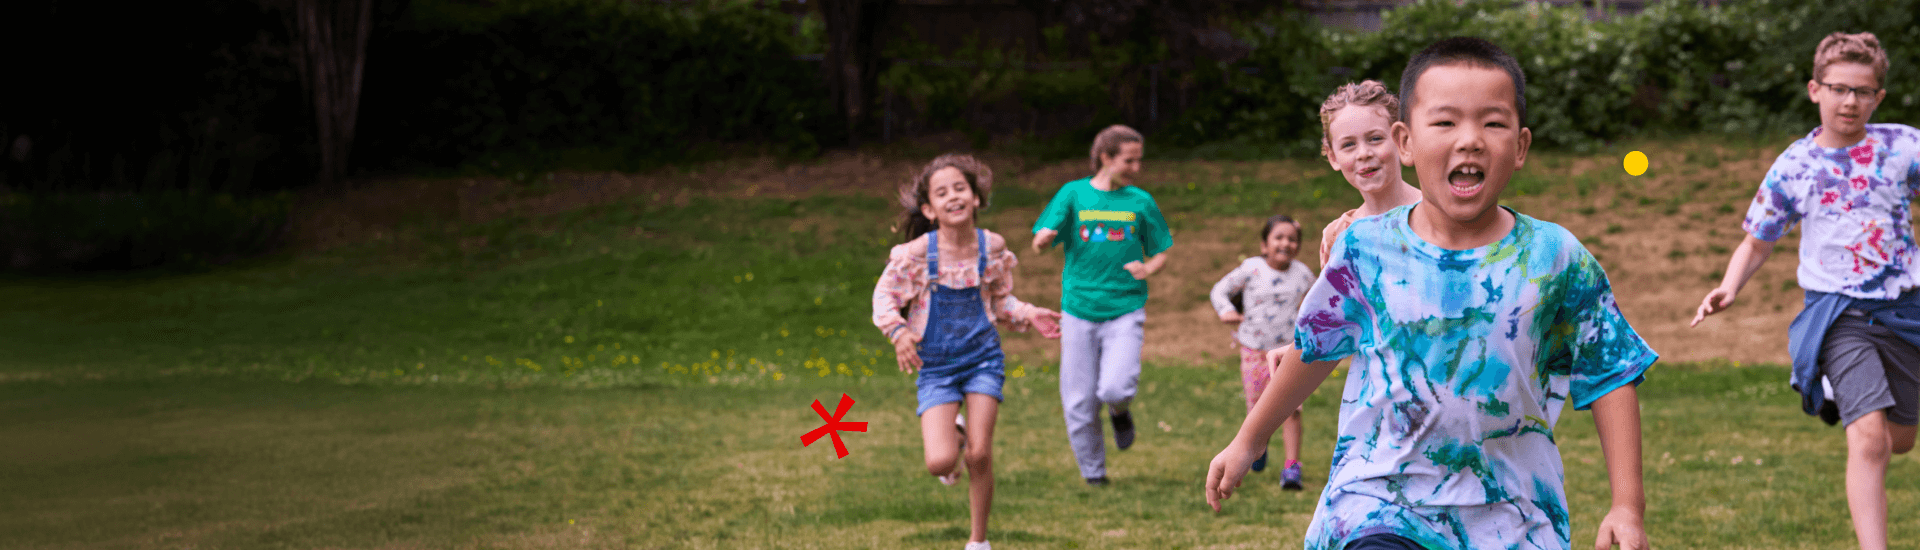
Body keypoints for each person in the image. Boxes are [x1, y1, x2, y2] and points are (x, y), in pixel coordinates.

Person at [1204, 37, 1658, 550]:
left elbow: (1610, 373)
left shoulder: (1555, 257)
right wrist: (1251, 438)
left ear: (1522, 145)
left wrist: (1626, 505)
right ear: (1406, 142)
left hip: (1511, 513)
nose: (1469, 140)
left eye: (1492, 122)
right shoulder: (1364, 247)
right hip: (1381, 502)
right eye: (1445, 122)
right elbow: (1314, 351)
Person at [1690, 32, 1920, 550]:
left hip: (1906, 309)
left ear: (1878, 98)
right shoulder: (1795, 166)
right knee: (1870, 440)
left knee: (1901, 440)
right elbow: (1757, 242)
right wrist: (1728, 286)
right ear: (1815, 89)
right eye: (1839, 89)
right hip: (1837, 312)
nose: (1850, 101)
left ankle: (1842, 392)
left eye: (1863, 91)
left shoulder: (1903, 147)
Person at [873, 153, 1063, 550]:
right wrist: (898, 333)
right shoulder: (916, 254)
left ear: (976, 198)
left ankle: (978, 541)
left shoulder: (991, 247)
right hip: (936, 366)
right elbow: (884, 296)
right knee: (939, 463)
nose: (953, 196)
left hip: (983, 360)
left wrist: (1029, 313)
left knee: (981, 455)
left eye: (960, 188)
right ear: (929, 208)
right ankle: (954, 436)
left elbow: (1000, 302)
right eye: (942, 193)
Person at [1031, 124, 1174, 486]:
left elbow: (1162, 251)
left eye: (1139, 160)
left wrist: (1147, 267)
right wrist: (1044, 238)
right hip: (1078, 310)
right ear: (1106, 158)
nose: (1136, 168)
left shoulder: (1140, 201)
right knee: (1078, 402)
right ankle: (1094, 474)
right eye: (1129, 160)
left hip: (1125, 308)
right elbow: (1039, 240)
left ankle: (1120, 411)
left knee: (1115, 387)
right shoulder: (1073, 194)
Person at [1210, 214, 1317, 489]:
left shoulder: (1303, 274)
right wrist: (1227, 310)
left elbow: (1322, 299)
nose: (1286, 243)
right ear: (1264, 245)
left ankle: (1292, 468)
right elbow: (1219, 290)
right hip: (1254, 351)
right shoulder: (1251, 268)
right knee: (1258, 407)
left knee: (1293, 409)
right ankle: (1258, 444)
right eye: (1279, 237)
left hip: (1290, 353)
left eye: (1293, 239)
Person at [1316, 80, 1426, 267]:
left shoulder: (1441, 217)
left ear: (1402, 141)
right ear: (1333, 157)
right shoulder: (1336, 237)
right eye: (1348, 145)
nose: (1363, 154)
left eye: (1375, 138)